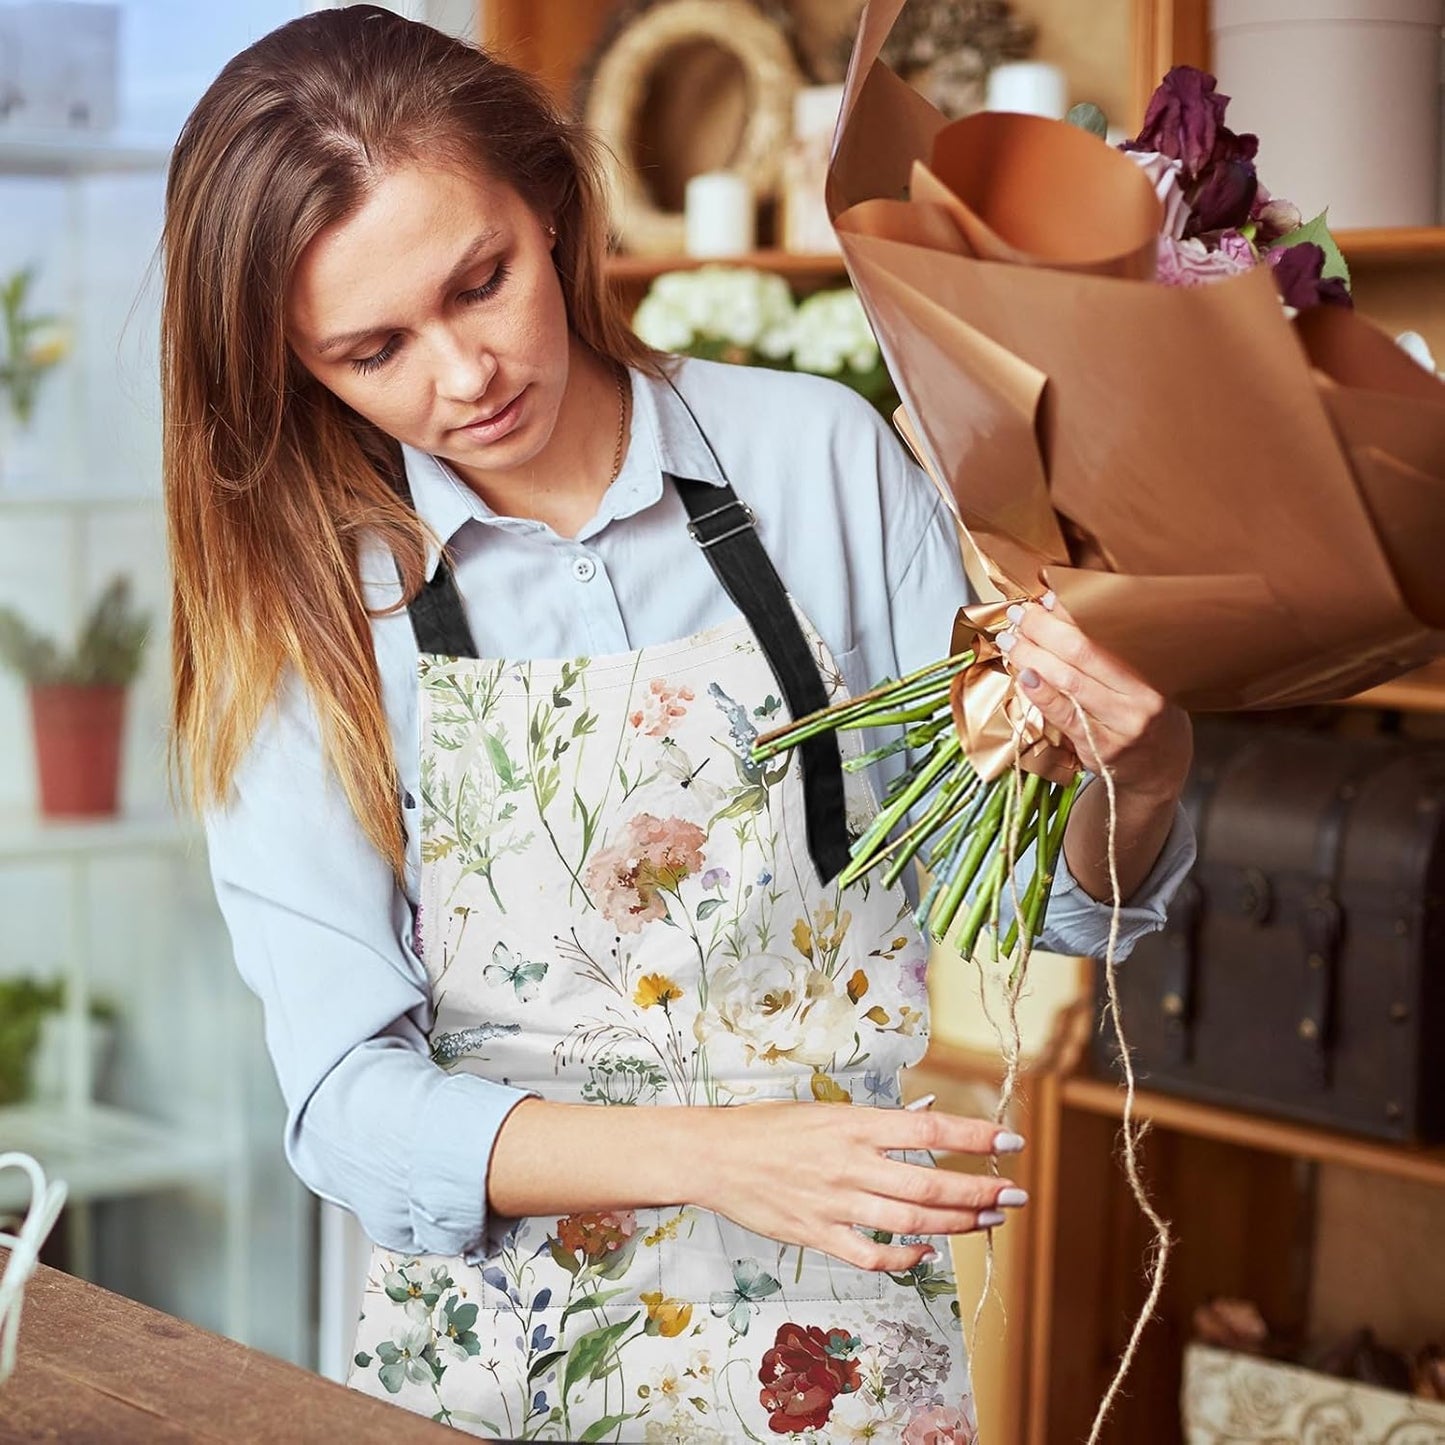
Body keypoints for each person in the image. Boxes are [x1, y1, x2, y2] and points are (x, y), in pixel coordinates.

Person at [165, 8, 1195, 1441]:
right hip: (491, 1370)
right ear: (294, 364)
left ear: (553, 205)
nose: (463, 376)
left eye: (483, 280)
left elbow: (1029, 901)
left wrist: (1136, 775)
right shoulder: (310, 620)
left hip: (841, 1347)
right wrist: (716, 1155)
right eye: (372, 350)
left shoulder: (819, 458)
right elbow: (345, 1106)